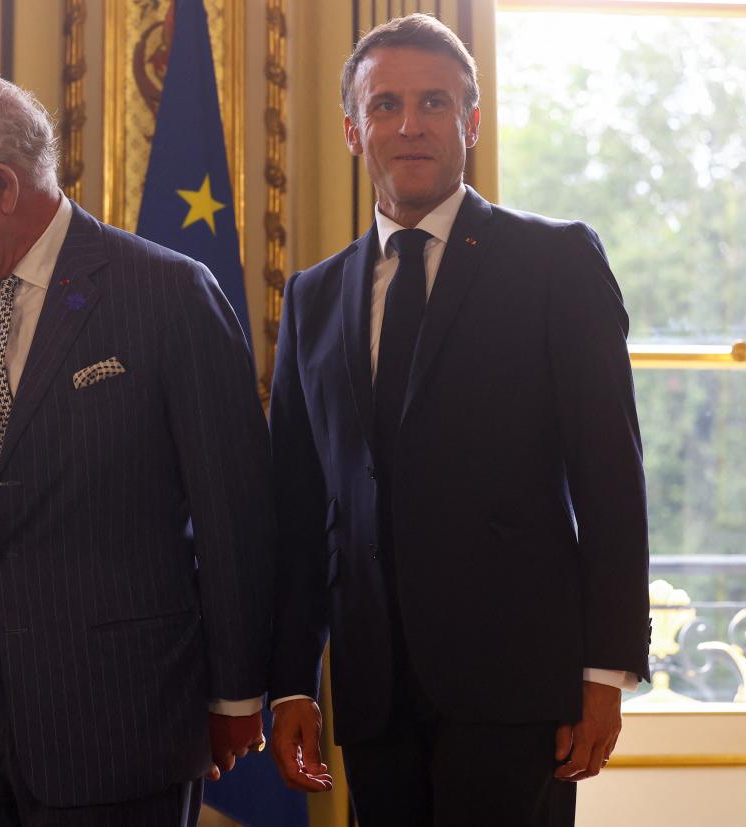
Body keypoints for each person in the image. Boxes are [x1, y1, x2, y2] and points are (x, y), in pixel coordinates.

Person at [267, 14, 650, 826]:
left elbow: (611, 481)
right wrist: (292, 678)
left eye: (435, 102)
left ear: (471, 122)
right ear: (351, 128)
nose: (410, 124)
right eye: (386, 105)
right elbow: (298, 511)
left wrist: (606, 671)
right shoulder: (312, 297)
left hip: (519, 690)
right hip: (374, 690)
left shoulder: (555, 263)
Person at [0, 69, 274, 826]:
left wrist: (235, 692)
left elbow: (236, 517)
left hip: (116, 724)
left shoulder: (169, 296)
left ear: (3, 183)